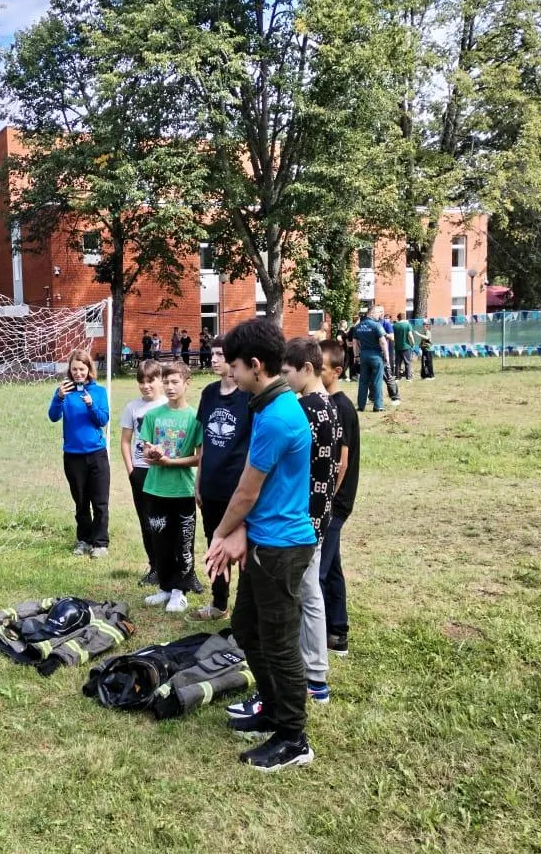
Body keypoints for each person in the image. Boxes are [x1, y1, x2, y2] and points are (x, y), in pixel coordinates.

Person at [206, 318, 317, 771]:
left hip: (281, 549)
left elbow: (248, 492)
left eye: (234, 365)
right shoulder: (267, 405)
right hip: (263, 542)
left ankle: (293, 737)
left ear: (255, 365)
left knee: (280, 643)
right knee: (249, 629)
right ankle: (271, 708)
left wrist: (221, 532)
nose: (229, 373)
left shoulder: (277, 417)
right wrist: (243, 533)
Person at [281, 337, 341, 704]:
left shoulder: (306, 408)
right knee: (309, 591)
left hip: (305, 514)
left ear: (307, 369)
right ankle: (313, 671)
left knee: (306, 593)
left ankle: (315, 676)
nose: (284, 379)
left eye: (287, 372)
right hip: (319, 509)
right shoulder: (330, 404)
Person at [191, 336, 252, 621]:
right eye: (212, 354)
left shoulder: (249, 396)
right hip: (211, 485)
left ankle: (246, 608)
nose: (213, 359)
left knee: (243, 550)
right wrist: (199, 480)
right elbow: (203, 441)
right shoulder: (209, 393)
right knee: (214, 544)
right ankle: (219, 603)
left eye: (219, 355)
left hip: (238, 488)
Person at [140, 361, 203, 614]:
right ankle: (165, 588)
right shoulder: (153, 415)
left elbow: (200, 457)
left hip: (183, 490)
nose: (169, 386)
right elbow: (144, 452)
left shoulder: (194, 417)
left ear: (187, 384)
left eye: (175, 382)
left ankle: (180, 591)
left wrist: (172, 462)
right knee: (160, 543)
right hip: (156, 488)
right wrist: (152, 453)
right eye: (166, 382)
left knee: (182, 544)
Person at [48, 350, 111, 557]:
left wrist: (91, 405)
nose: (78, 373)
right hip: (73, 456)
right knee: (81, 502)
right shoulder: (64, 392)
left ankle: (100, 543)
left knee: (100, 501)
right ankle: (84, 539)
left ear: (88, 369)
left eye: (82, 369)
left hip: (96, 454)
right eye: (74, 369)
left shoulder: (99, 391)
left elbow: (103, 420)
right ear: (70, 370)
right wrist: (58, 398)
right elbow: (53, 416)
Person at [319, 340, 359, 655]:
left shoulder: (340, 407)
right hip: (330, 504)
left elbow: (341, 463)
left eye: (320, 370)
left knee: (318, 570)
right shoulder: (326, 403)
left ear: (337, 371)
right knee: (331, 567)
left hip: (333, 504)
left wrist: (326, 501)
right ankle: (338, 632)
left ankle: (317, 636)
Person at [119, 359, 166, 586]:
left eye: (151, 380)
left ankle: (175, 568)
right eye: (142, 382)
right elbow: (126, 441)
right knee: (147, 522)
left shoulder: (168, 405)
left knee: (167, 522)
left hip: (165, 472)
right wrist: (131, 470)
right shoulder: (132, 408)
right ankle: (155, 566)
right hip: (141, 472)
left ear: (160, 381)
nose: (146, 386)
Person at [393, 312, 414, 381]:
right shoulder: (408, 325)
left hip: (397, 347)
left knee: (398, 363)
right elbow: (410, 335)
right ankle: (408, 377)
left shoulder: (394, 325)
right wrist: (413, 343)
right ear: (404, 317)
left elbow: (393, 336)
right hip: (406, 346)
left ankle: (397, 377)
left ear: (398, 318)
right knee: (407, 362)